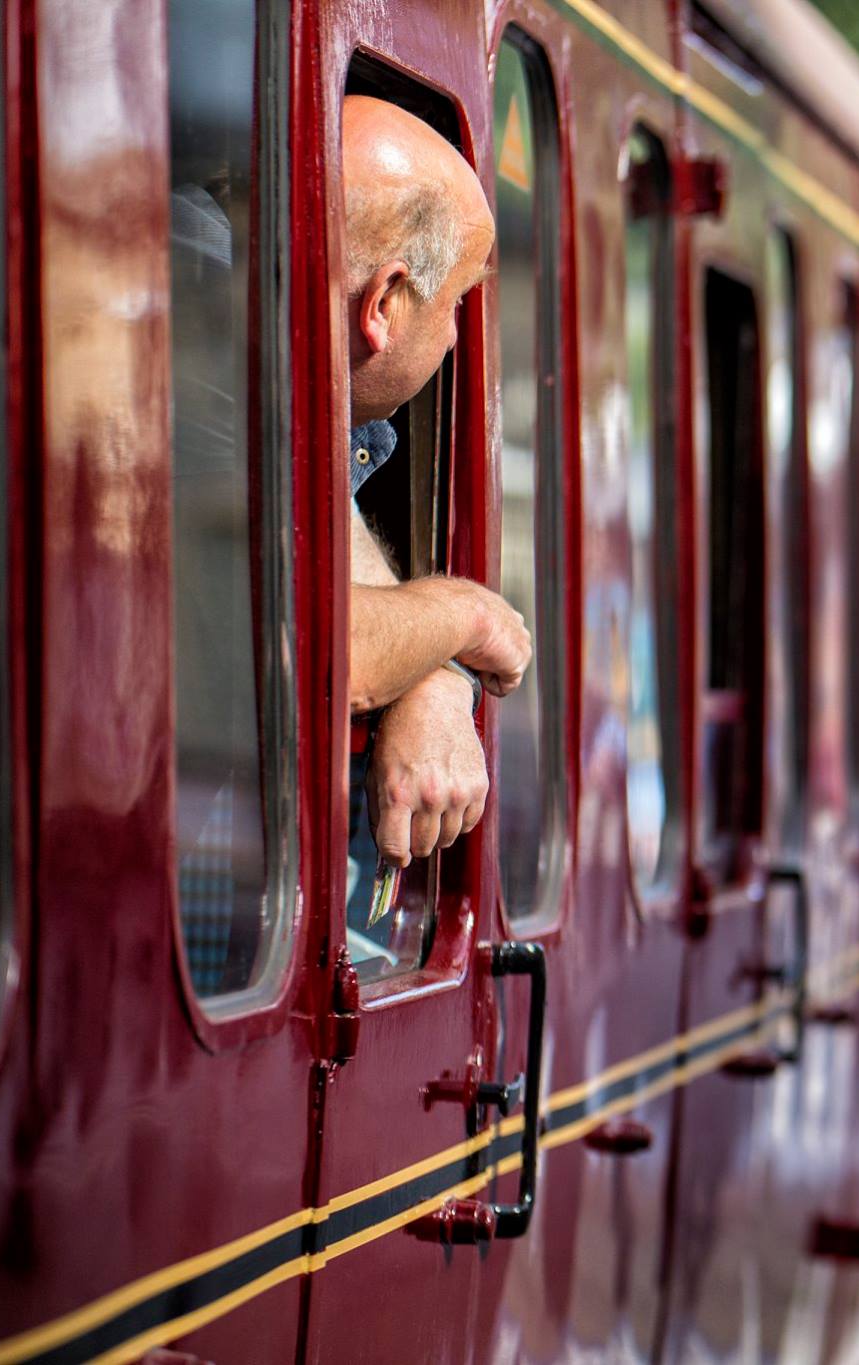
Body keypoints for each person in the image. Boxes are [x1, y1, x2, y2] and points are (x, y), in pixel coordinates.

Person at [341, 94, 532, 869]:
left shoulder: (319, 419)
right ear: (384, 304)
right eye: (454, 302)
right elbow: (327, 645)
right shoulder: (212, 375)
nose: (456, 334)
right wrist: (466, 616)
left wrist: (434, 679)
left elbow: (357, 602)